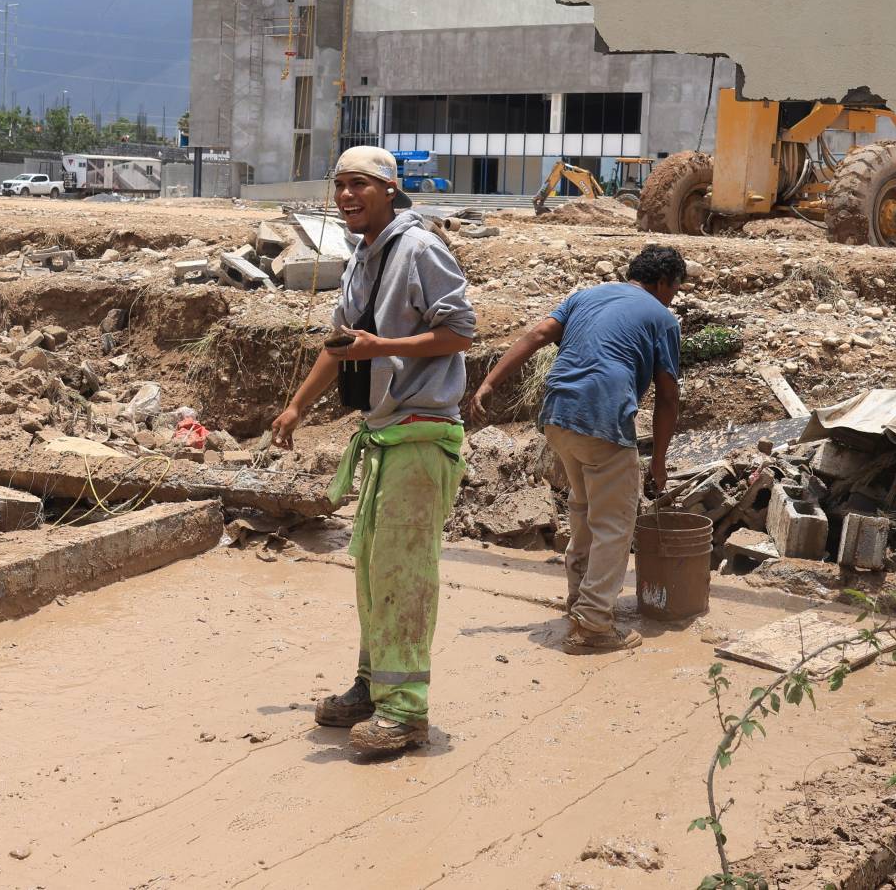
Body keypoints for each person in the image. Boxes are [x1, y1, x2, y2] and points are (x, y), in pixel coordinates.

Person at [271, 146, 475, 754]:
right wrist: (297, 406)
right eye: (339, 185)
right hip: (386, 434)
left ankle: (406, 711)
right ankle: (372, 686)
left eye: (359, 184)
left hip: (420, 433)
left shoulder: (419, 248)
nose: (346, 196)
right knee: (373, 572)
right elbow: (340, 346)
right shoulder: (365, 255)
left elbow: (462, 330)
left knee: (404, 575)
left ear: (390, 189)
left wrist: (380, 345)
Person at [470, 244, 685, 653]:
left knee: (585, 511)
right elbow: (669, 398)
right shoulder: (662, 318)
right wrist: (658, 461)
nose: (671, 297)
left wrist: (489, 382)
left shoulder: (585, 295)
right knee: (616, 524)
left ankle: (580, 601)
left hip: (557, 417)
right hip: (601, 420)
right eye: (673, 289)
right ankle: (593, 627)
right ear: (662, 284)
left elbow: (536, 334)